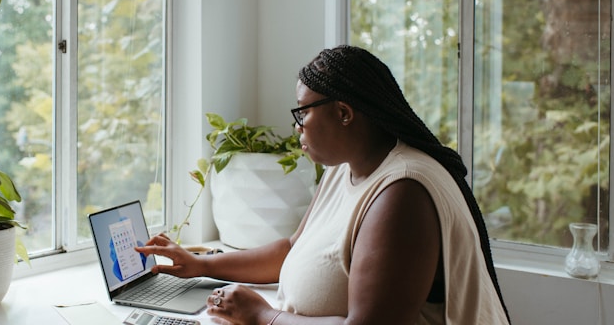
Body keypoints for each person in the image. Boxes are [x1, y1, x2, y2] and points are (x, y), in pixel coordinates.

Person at [136, 45, 511, 324]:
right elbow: (291, 249)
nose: (296, 126)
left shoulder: (403, 194)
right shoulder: (344, 168)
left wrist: (261, 316)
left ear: (344, 113)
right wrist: (200, 264)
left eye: (303, 111)